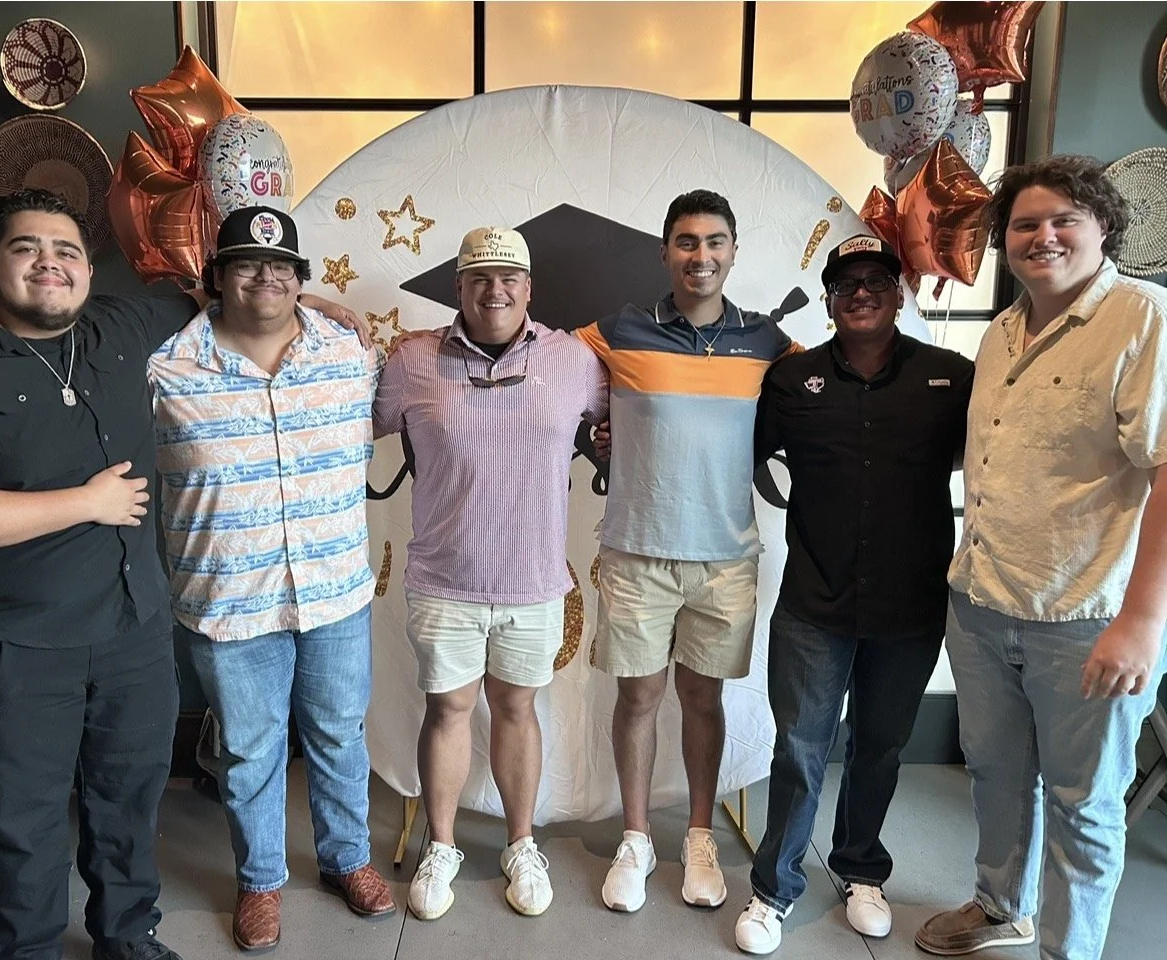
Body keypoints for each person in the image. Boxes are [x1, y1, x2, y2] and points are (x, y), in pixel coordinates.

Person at [0, 188, 366, 960]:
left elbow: (243, 291)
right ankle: (30, 949)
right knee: (22, 821)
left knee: (128, 802)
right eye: (27, 249)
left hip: (131, 632)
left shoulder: (121, 326)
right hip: (12, 646)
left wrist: (323, 302)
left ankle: (128, 937)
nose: (50, 264)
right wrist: (85, 503)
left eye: (67, 250)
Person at [915, 155, 1167, 960]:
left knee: (1083, 802)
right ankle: (1000, 906)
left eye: (1064, 220)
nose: (1043, 237)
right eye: (1025, 224)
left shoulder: (1142, 319)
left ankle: (1071, 950)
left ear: (1103, 229)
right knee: (994, 776)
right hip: (986, 601)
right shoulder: (1002, 330)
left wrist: (1143, 620)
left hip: (1086, 616)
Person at [148, 205, 395, 950]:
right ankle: (260, 880)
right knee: (250, 749)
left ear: (299, 279)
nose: (266, 277)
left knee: (338, 734)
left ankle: (346, 859)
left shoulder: (352, 356)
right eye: (247, 265)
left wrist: (330, 310)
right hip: (229, 602)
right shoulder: (164, 368)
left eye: (282, 266)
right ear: (216, 277)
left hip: (334, 593)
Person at [732, 236, 974, 954]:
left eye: (876, 281)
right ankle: (774, 888)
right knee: (800, 750)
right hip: (815, 601)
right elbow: (728, 450)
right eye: (846, 284)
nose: (861, 293)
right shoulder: (791, 380)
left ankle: (860, 868)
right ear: (831, 297)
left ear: (900, 294)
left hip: (910, 602)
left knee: (880, 747)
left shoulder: (950, 377)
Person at [372, 227, 608, 921]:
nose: (495, 289)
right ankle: (441, 845)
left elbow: (625, 423)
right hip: (443, 579)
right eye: (479, 277)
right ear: (459, 288)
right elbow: (348, 420)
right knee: (447, 710)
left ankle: (520, 843)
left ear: (529, 288)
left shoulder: (574, 361)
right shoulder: (412, 360)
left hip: (533, 581)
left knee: (516, 710)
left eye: (509, 277)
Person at [574, 189, 799, 915]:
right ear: (665, 251)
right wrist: (595, 434)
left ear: (733, 251)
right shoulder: (620, 330)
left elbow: (831, 395)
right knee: (638, 697)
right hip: (637, 553)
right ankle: (637, 838)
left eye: (714, 242)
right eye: (686, 242)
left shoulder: (768, 341)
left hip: (726, 559)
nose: (700, 256)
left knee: (703, 698)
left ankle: (698, 835)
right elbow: (544, 376)